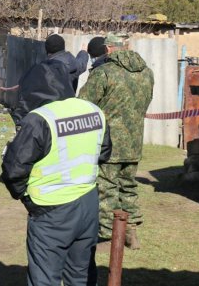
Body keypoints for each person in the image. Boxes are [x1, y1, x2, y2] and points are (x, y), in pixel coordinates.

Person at [1, 60, 112, 286]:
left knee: (45, 277)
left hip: (51, 210)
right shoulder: (94, 110)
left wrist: (26, 198)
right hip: (88, 204)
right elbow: (104, 152)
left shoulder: (39, 119)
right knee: (80, 275)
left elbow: (13, 169)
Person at [79, 33, 154, 250]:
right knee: (128, 187)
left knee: (106, 189)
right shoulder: (147, 73)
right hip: (134, 141)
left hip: (108, 143)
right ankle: (131, 230)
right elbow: (145, 103)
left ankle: (109, 236)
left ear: (109, 48)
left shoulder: (104, 73)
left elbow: (84, 105)